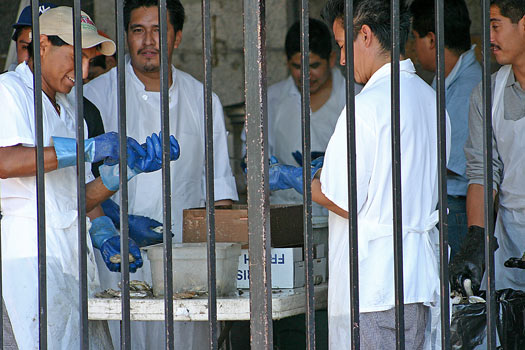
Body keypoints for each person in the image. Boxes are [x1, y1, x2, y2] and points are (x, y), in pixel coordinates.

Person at [271, 0, 451, 348]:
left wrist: (300, 181)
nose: (341, 59)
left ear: (365, 35)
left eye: (342, 45)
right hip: (416, 282)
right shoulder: (430, 100)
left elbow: (341, 198)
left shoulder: (365, 108)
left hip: (375, 287)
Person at [0, 6, 177, 349]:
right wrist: (84, 150)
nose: (82, 72)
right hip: (25, 262)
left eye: (88, 60)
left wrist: (124, 174)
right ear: (42, 46)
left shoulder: (72, 113)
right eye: (75, 58)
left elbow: (72, 199)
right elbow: (5, 162)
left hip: (72, 262)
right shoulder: (9, 91)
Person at [82, 0, 239, 348]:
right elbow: (72, 189)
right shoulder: (93, 97)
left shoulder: (203, 99)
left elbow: (219, 194)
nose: (148, 40)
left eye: (158, 30)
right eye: (138, 30)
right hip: (115, 262)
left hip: (186, 270)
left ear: (177, 37)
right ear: (126, 37)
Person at [450, 0, 525, 296]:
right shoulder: (487, 93)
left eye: (496, 26)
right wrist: (476, 240)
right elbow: (482, 172)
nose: (489, 39)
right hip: (510, 239)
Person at [410, 0, 482, 259]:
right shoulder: (444, 79)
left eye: (414, 38)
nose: (412, 47)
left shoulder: (469, 86)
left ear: (431, 40)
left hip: (459, 209)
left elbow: (453, 160)